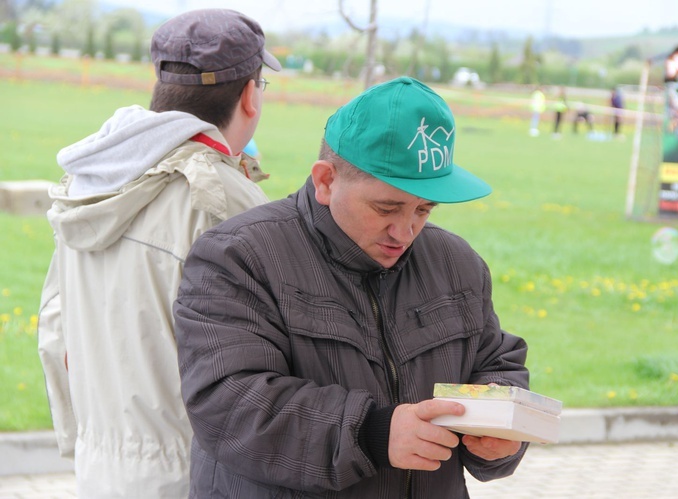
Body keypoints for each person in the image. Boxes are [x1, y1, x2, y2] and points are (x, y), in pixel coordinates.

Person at [174, 76, 530, 498]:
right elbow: (228, 402)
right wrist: (371, 434)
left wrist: (499, 431)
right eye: (386, 207)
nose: (405, 230)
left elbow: (494, 360)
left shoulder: (456, 263)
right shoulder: (238, 257)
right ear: (326, 180)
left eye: (424, 209)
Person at [37, 8, 280, 498]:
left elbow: (54, 334)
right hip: (197, 476)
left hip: (102, 471)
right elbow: (266, 373)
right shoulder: (221, 200)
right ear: (250, 95)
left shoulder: (92, 182)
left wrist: (82, 444)